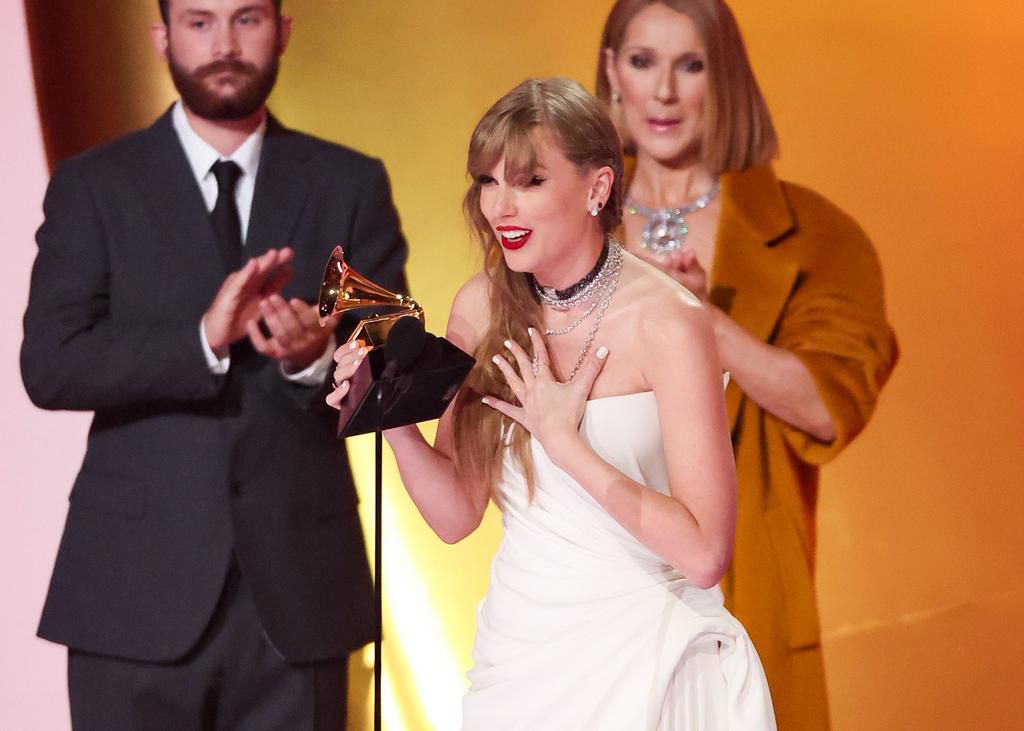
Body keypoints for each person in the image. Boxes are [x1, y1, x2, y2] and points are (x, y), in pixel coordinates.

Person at [328, 77, 775, 730]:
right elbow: (456, 513)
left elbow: (706, 552)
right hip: (524, 667)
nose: (499, 206)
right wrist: (385, 410)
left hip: (653, 660)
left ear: (597, 187)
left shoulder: (669, 323)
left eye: (529, 181)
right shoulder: (480, 309)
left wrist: (567, 445)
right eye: (488, 181)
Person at [20, 0, 407, 727]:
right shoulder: (95, 186)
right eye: (200, 21)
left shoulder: (349, 183)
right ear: (162, 36)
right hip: (128, 600)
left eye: (247, 19)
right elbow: (50, 362)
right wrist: (201, 338)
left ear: (284, 31)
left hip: (303, 599)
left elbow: (397, 363)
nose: (224, 43)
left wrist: (317, 357)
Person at [595, 1, 900, 727]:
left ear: (724, 76)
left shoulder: (814, 235)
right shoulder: (569, 219)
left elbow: (829, 406)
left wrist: (705, 327)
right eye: (643, 62)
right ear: (612, 72)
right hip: (594, 592)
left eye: (690, 64)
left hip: (738, 595)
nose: (664, 91)